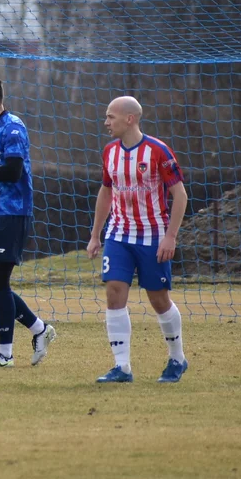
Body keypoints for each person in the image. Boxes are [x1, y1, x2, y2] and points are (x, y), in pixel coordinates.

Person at [85, 95, 189, 383]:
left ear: (129, 119)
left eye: (111, 117)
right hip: (118, 234)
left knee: (158, 299)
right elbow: (106, 192)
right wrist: (96, 235)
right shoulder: (109, 152)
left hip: (153, 236)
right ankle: (122, 368)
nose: (106, 122)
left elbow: (180, 195)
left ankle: (177, 358)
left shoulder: (158, 151)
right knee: (114, 292)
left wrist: (171, 236)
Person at [0, 75, 55, 367]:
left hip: (13, 213)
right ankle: (39, 328)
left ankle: (5, 353)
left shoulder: (13, 126)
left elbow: (13, 171)